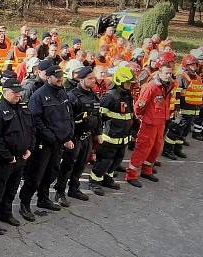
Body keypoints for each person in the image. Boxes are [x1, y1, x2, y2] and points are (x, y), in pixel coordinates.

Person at [18, 62, 74, 221]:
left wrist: (68, 135)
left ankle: (43, 199)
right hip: (44, 143)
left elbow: (67, 115)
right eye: (56, 77)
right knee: (35, 175)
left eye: (61, 77)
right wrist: (51, 137)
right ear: (48, 77)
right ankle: (25, 203)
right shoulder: (39, 95)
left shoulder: (62, 92)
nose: (59, 80)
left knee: (52, 172)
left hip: (58, 142)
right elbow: (35, 121)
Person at [0, 77, 35, 232]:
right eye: (14, 93)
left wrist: (29, 148)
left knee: (11, 189)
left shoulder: (23, 108)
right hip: (2, 161)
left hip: (20, 159)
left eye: (19, 93)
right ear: (5, 92)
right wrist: (8, 156)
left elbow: (31, 130)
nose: (18, 95)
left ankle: (5, 214)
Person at [54, 67, 100, 205]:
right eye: (90, 79)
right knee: (68, 166)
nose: (93, 81)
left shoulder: (93, 95)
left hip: (87, 137)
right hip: (74, 137)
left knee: (81, 165)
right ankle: (60, 192)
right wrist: (67, 138)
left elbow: (98, 116)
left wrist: (98, 133)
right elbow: (65, 119)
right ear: (81, 79)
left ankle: (74, 188)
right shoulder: (72, 96)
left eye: (94, 78)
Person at [89, 66, 135, 195]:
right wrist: (98, 134)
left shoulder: (127, 96)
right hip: (109, 137)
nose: (130, 85)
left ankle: (107, 178)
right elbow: (98, 116)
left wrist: (132, 132)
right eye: (128, 83)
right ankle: (95, 181)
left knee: (116, 160)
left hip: (122, 137)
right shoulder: (110, 96)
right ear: (120, 81)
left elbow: (130, 116)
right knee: (104, 161)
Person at [126, 61, 173, 187]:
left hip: (161, 121)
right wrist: (143, 118)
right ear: (159, 73)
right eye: (166, 73)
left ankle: (147, 170)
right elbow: (139, 106)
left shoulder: (168, 86)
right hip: (149, 123)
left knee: (156, 148)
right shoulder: (151, 87)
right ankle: (131, 175)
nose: (168, 75)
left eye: (170, 73)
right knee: (142, 148)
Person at [163, 55, 202, 159]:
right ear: (186, 65)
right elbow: (177, 94)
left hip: (192, 110)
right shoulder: (181, 77)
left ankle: (177, 149)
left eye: (195, 64)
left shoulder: (198, 77)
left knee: (183, 132)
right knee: (175, 130)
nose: (193, 66)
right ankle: (167, 150)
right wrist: (177, 109)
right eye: (191, 65)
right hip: (182, 110)